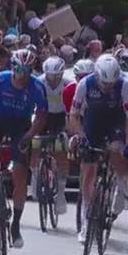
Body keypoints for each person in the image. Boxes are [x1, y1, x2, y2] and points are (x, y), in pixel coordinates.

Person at [0, 49, 48, 249]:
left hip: (21, 125)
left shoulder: (37, 86)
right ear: (12, 68)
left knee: (20, 174)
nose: (24, 75)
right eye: (20, 69)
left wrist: (29, 136)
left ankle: (16, 225)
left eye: (28, 70)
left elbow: (41, 117)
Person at [69, 54, 128, 244]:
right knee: (88, 171)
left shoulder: (124, 85)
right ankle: (86, 221)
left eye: (111, 83)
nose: (107, 86)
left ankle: (123, 185)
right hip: (93, 123)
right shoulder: (85, 84)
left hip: (115, 122)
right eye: (104, 83)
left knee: (117, 151)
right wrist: (80, 136)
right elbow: (73, 115)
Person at [31, 56, 71, 213]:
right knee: (34, 143)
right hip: (43, 116)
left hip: (60, 117)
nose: (53, 79)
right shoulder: (38, 82)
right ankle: (35, 178)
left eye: (57, 76)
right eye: (50, 75)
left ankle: (61, 193)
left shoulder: (68, 84)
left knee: (61, 151)